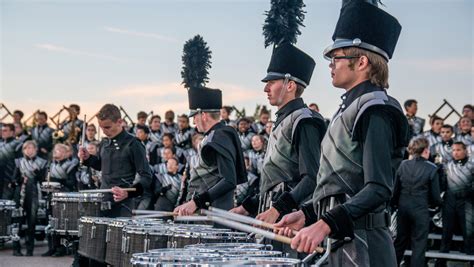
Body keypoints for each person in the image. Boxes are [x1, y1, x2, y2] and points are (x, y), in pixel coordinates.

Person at [275, 2, 408, 266]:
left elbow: (378, 188)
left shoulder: (375, 108)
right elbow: (342, 185)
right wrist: (308, 214)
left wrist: (326, 223)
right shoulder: (348, 109)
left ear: (362, 61)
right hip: (345, 239)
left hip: (366, 244)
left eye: (337, 58)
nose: (331, 65)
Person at [233, 42, 326, 228]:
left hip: (291, 221)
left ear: (290, 85)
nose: (265, 89)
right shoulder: (284, 121)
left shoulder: (304, 120)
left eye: (271, 82)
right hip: (274, 216)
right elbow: (276, 180)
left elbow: (312, 177)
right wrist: (246, 207)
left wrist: (278, 209)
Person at [174, 86, 246, 215]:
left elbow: (229, 180)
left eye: (195, 116)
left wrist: (196, 202)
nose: (194, 122)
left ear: (204, 115)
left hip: (212, 214)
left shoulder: (218, 137)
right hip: (205, 211)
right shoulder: (214, 136)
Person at [78, 103, 153, 217]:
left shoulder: (133, 144)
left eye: (107, 127)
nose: (103, 131)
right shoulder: (104, 142)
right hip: (103, 201)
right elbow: (101, 165)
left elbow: (147, 176)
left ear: (119, 122)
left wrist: (127, 192)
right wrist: (88, 158)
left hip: (123, 205)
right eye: (101, 127)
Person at [392, 137, 442, 267]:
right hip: (420, 210)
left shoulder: (403, 165)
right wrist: (436, 205)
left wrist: (396, 205)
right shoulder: (432, 168)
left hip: (403, 209)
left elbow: (395, 191)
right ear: (425, 150)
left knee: (399, 243)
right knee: (419, 246)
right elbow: (436, 196)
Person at [438, 142, 473, 265]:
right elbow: (443, 183)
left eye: (458, 150)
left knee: (468, 232)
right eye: (453, 150)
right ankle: (441, 261)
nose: (455, 153)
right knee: (446, 232)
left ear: (465, 151)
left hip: (467, 202)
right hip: (450, 202)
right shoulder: (447, 166)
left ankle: (470, 260)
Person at [12, 140, 47, 257]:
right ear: (23, 150)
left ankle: (29, 249)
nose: (29, 150)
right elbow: (13, 180)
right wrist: (21, 180)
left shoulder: (41, 162)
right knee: (18, 222)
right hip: (20, 193)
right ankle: (16, 249)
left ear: (36, 150)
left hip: (33, 193)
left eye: (31, 148)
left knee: (31, 222)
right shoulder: (18, 162)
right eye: (27, 148)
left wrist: (37, 173)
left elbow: (43, 180)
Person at [0, 123, 23, 199]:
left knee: (6, 205)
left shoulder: (18, 144)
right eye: (2, 130)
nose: (2, 132)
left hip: (9, 179)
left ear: (12, 132)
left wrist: (14, 179)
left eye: (5, 131)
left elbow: (19, 164)